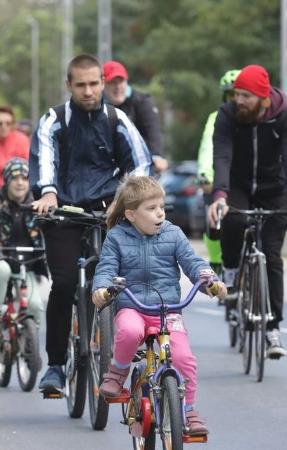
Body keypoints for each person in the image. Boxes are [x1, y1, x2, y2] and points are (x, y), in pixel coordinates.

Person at [29, 54, 152, 395]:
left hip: (107, 210)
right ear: (69, 85)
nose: (88, 91)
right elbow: (44, 159)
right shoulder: (54, 119)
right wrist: (49, 193)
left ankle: (130, 342)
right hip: (63, 211)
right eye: (80, 84)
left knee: (124, 279)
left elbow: (140, 163)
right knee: (65, 283)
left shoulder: (117, 119)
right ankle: (55, 366)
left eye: (94, 83)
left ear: (103, 83)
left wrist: (125, 199)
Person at [91, 175, 226, 436]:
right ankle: (118, 372)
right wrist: (101, 288)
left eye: (161, 207)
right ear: (131, 214)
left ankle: (188, 411)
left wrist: (210, 281)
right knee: (129, 331)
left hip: (167, 311)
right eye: (151, 209)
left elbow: (192, 262)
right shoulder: (117, 238)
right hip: (132, 305)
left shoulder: (173, 234)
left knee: (184, 358)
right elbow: (106, 267)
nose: (159, 214)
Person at [205, 64, 287, 359]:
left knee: (273, 256)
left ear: (263, 98)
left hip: (274, 188)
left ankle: (273, 327)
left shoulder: (286, 116)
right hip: (237, 185)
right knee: (231, 218)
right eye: (237, 94)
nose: (239, 101)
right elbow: (222, 156)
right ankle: (230, 269)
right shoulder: (227, 115)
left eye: (246, 96)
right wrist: (220, 195)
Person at [0, 158, 46, 338]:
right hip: (2, 258)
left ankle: (29, 341)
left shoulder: (38, 205)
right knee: (1, 270)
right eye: (14, 178)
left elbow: (49, 229)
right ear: (7, 181)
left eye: (24, 178)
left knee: (36, 306)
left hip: (28, 263)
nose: (20, 182)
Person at [197, 69, 241, 275]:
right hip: (219, 177)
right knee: (212, 219)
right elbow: (208, 148)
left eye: (239, 93)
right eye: (231, 94)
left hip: (243, 180)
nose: (236, 99)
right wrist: (206, 175)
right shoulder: (216, 118)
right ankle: (216, 259)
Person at [103, 60, 167, 173]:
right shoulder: (98, 106)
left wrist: (157, 155)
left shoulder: (142, 101)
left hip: (140, 164)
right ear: (103, 85)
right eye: (112, 82)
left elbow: (153, 131)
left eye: (120, 81)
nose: (117, 87)